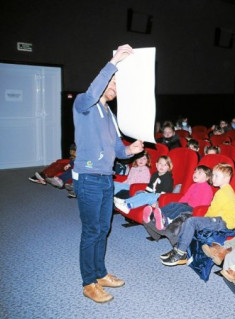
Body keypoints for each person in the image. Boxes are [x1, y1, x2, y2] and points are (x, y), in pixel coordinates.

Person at [72, 44, 144, 303]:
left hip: (105, 179)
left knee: (103, 229)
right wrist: (114, 60)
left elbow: (117, 150)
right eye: (111, 80)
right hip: (88, 178)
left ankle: (100, 273)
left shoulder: (110, 116)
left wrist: (131, 149)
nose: (114, 85)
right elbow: (93, 91)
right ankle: (88, 282)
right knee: (91, 231)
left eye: (117, 83)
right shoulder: (84, 103)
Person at [161, 163, 235, 266]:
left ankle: (180, 253)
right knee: (190, 220)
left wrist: (202, 220)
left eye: (216, 176)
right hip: (220, 219)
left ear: (226, 178)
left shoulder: (223, 192)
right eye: (213, 175)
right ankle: (178, 249)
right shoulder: (225, 190)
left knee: (192, 221)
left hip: (223, 222)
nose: (213, 178)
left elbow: (213, 211)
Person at [143, 165, 213, 230]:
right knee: (173, 204)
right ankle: (155, 214)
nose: (195, 174)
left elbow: (205, 204)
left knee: (181, 208)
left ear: (207, 177)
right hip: (187, 205)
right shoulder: (193, 186)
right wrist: (178, 203)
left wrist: (194, 209)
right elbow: (186, 197)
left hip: (194, 209)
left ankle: (167, 220)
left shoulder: (207, 189)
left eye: (199, 173)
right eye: (195, 172)